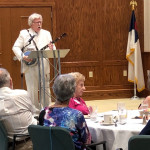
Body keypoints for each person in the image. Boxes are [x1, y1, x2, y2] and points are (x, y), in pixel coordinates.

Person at [12, 13, 56, 114]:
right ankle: (34, 112)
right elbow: (15, 47)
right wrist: (22, 56)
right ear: (31, 23)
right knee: (32, 90)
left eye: (41, 22)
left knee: (45, 89)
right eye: (37, 22)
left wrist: (52, 48)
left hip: (44, 66)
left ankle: (47, 111)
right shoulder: (24, 33)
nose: (39, 24)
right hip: (30, 66)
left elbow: (53, 48)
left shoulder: (46, 33)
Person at [39, 74, 91, 150]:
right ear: (73, 92)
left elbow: (41, 137)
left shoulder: (43, 112)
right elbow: (87, 141)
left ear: (54, 90)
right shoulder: (76, 115)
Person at [0, 68, 37, 140]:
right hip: (29, 142)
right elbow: (33, 112)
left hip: (5, 145)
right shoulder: (22, 94)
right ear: (10, 81)